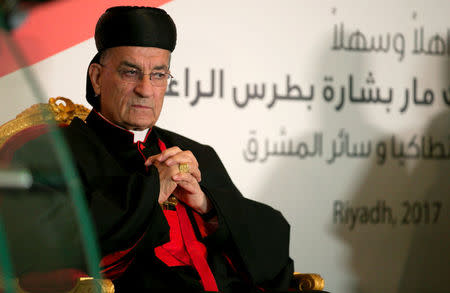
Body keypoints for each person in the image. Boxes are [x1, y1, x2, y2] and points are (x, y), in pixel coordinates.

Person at [13, 6, 294, 292]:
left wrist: (208, 207)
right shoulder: (50, 154)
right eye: (131, 72)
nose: (146, 90)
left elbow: (271, 248)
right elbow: (42, 246)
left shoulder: (194, 153)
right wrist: (150, 190)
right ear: (97, 78)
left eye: (159, 75)